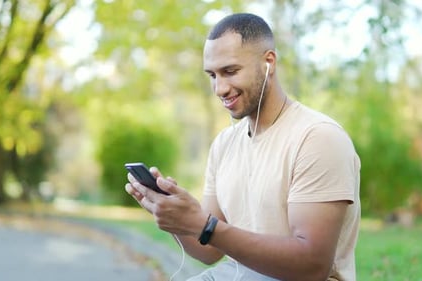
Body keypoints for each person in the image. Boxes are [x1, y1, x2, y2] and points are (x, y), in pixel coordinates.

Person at [125, 13, 361, 281]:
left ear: (268, 62)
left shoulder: (318, 138)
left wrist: (205, 225)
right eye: (212, 75)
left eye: (230, 71)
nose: (219, 88)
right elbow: (210, 250)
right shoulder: (224, 144)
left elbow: (311, 266)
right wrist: (174, 218)